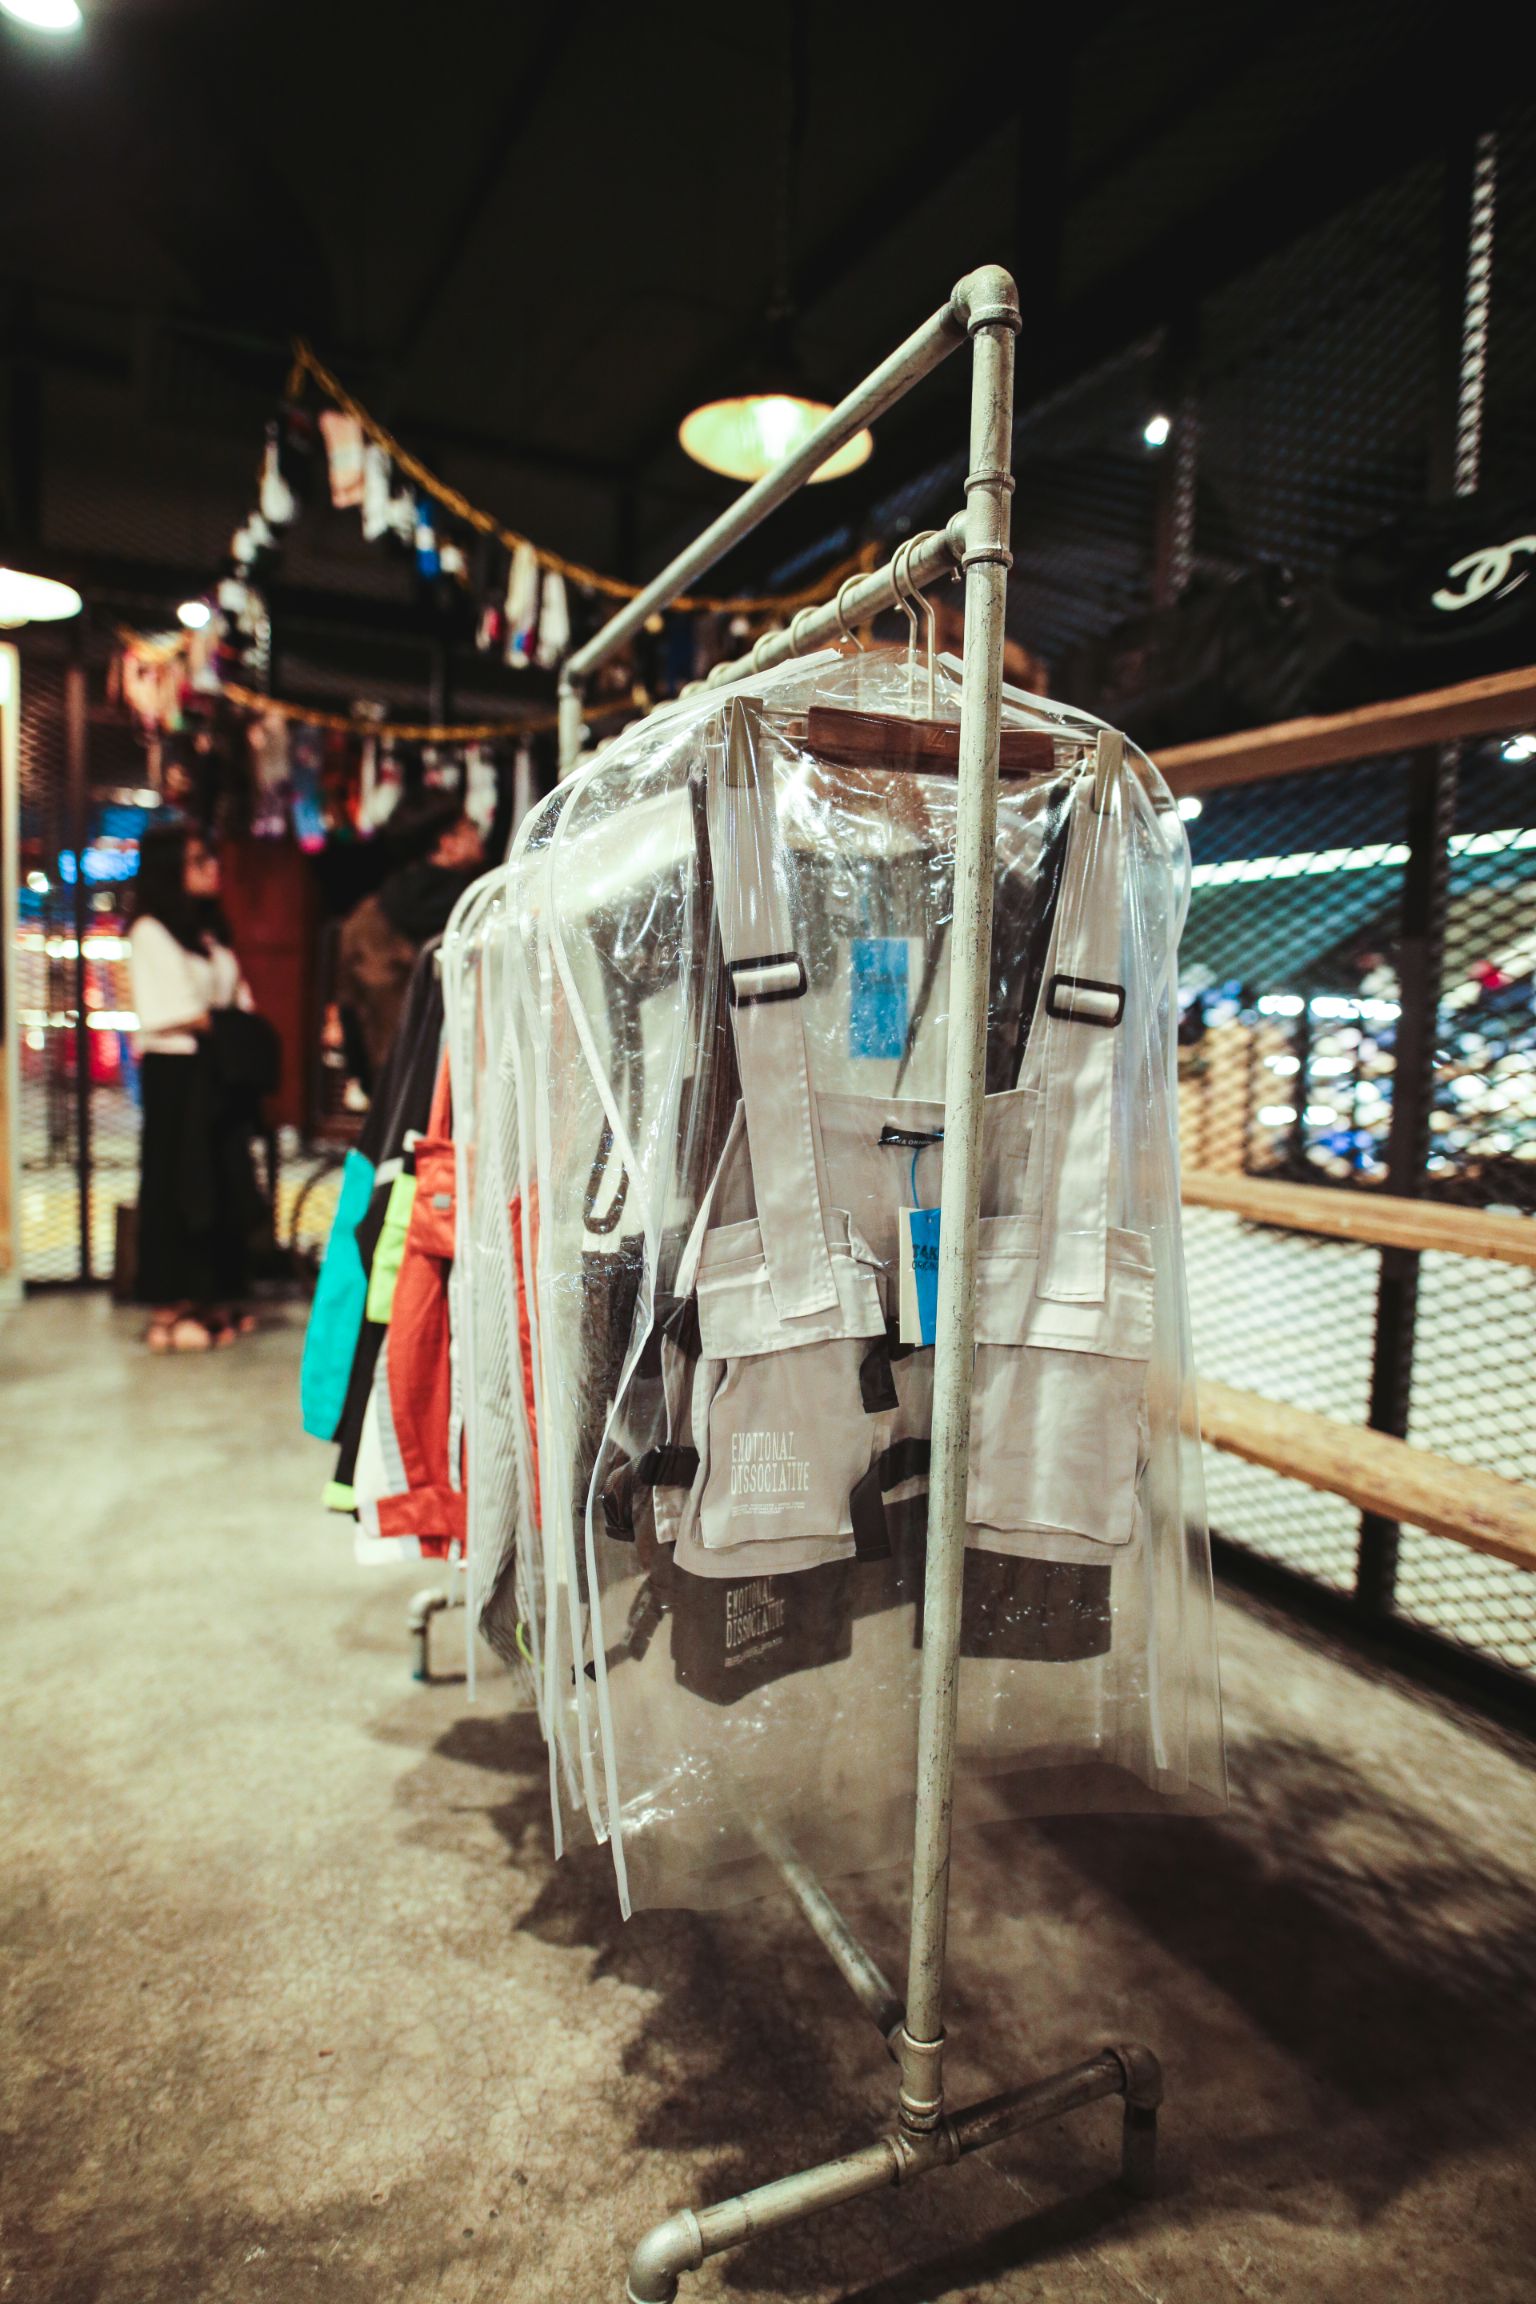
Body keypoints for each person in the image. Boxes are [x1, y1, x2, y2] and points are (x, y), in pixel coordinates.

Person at [127, 821, 259, 1352]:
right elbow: (179, 1010)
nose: (212, 869)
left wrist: (222, 1020)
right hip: (176, 1074)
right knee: (173, 1182)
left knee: (217, 1183)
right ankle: (167, 1309)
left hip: (214, 1071)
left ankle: (206, 1299)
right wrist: (224, 1021)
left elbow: (237, 1000)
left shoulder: (207, 932)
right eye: (198, 860)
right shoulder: (150, 931)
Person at [335, 794, 485, 1088]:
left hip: (394, 1083)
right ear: (448, 843)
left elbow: (349, 1012)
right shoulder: (484, 911)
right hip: (469, 1082)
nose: (478, 835)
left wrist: (371, 1085)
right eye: (471, 827)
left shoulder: (365, 920)